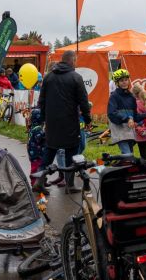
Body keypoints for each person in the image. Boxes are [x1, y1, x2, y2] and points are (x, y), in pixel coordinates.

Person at [36, 50, 92, 195]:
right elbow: (84, 102)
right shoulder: (76, 77)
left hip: (52, 123)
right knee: (71, 154)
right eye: (75, 60)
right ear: (72, 60)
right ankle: (70, 184)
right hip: (69, 123)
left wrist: (42, 119)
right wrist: (88, 120)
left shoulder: (48, 77)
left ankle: (38, 181)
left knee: (49, 151)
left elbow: (41, 101)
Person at [108, 69, 146, 155]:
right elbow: (111, 113)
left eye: (126, 80)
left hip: (129, 130)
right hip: (119, 129)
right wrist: (127, 119)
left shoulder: (131, 97)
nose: (124, 82)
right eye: (121, 80)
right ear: (117, 83)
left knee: (130, 156)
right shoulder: (114, 96)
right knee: (127, 154)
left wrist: (145, 115)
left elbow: (134, 116)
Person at [131, 84, 146, 160]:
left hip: (137, 131)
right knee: (144, 152)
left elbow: (134, 117)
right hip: (145, 131)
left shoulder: (135, 104)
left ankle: (132, 164)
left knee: (129, 148)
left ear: (134, 94)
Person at [27, 109, 46, 186]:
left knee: (40, 168)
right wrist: (45, 134)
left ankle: (41, 182)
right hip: (36, 153)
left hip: (34, 152)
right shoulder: (37, 129)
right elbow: (39, 138)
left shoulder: (32, 127)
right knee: (36, 169)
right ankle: (34, 183)